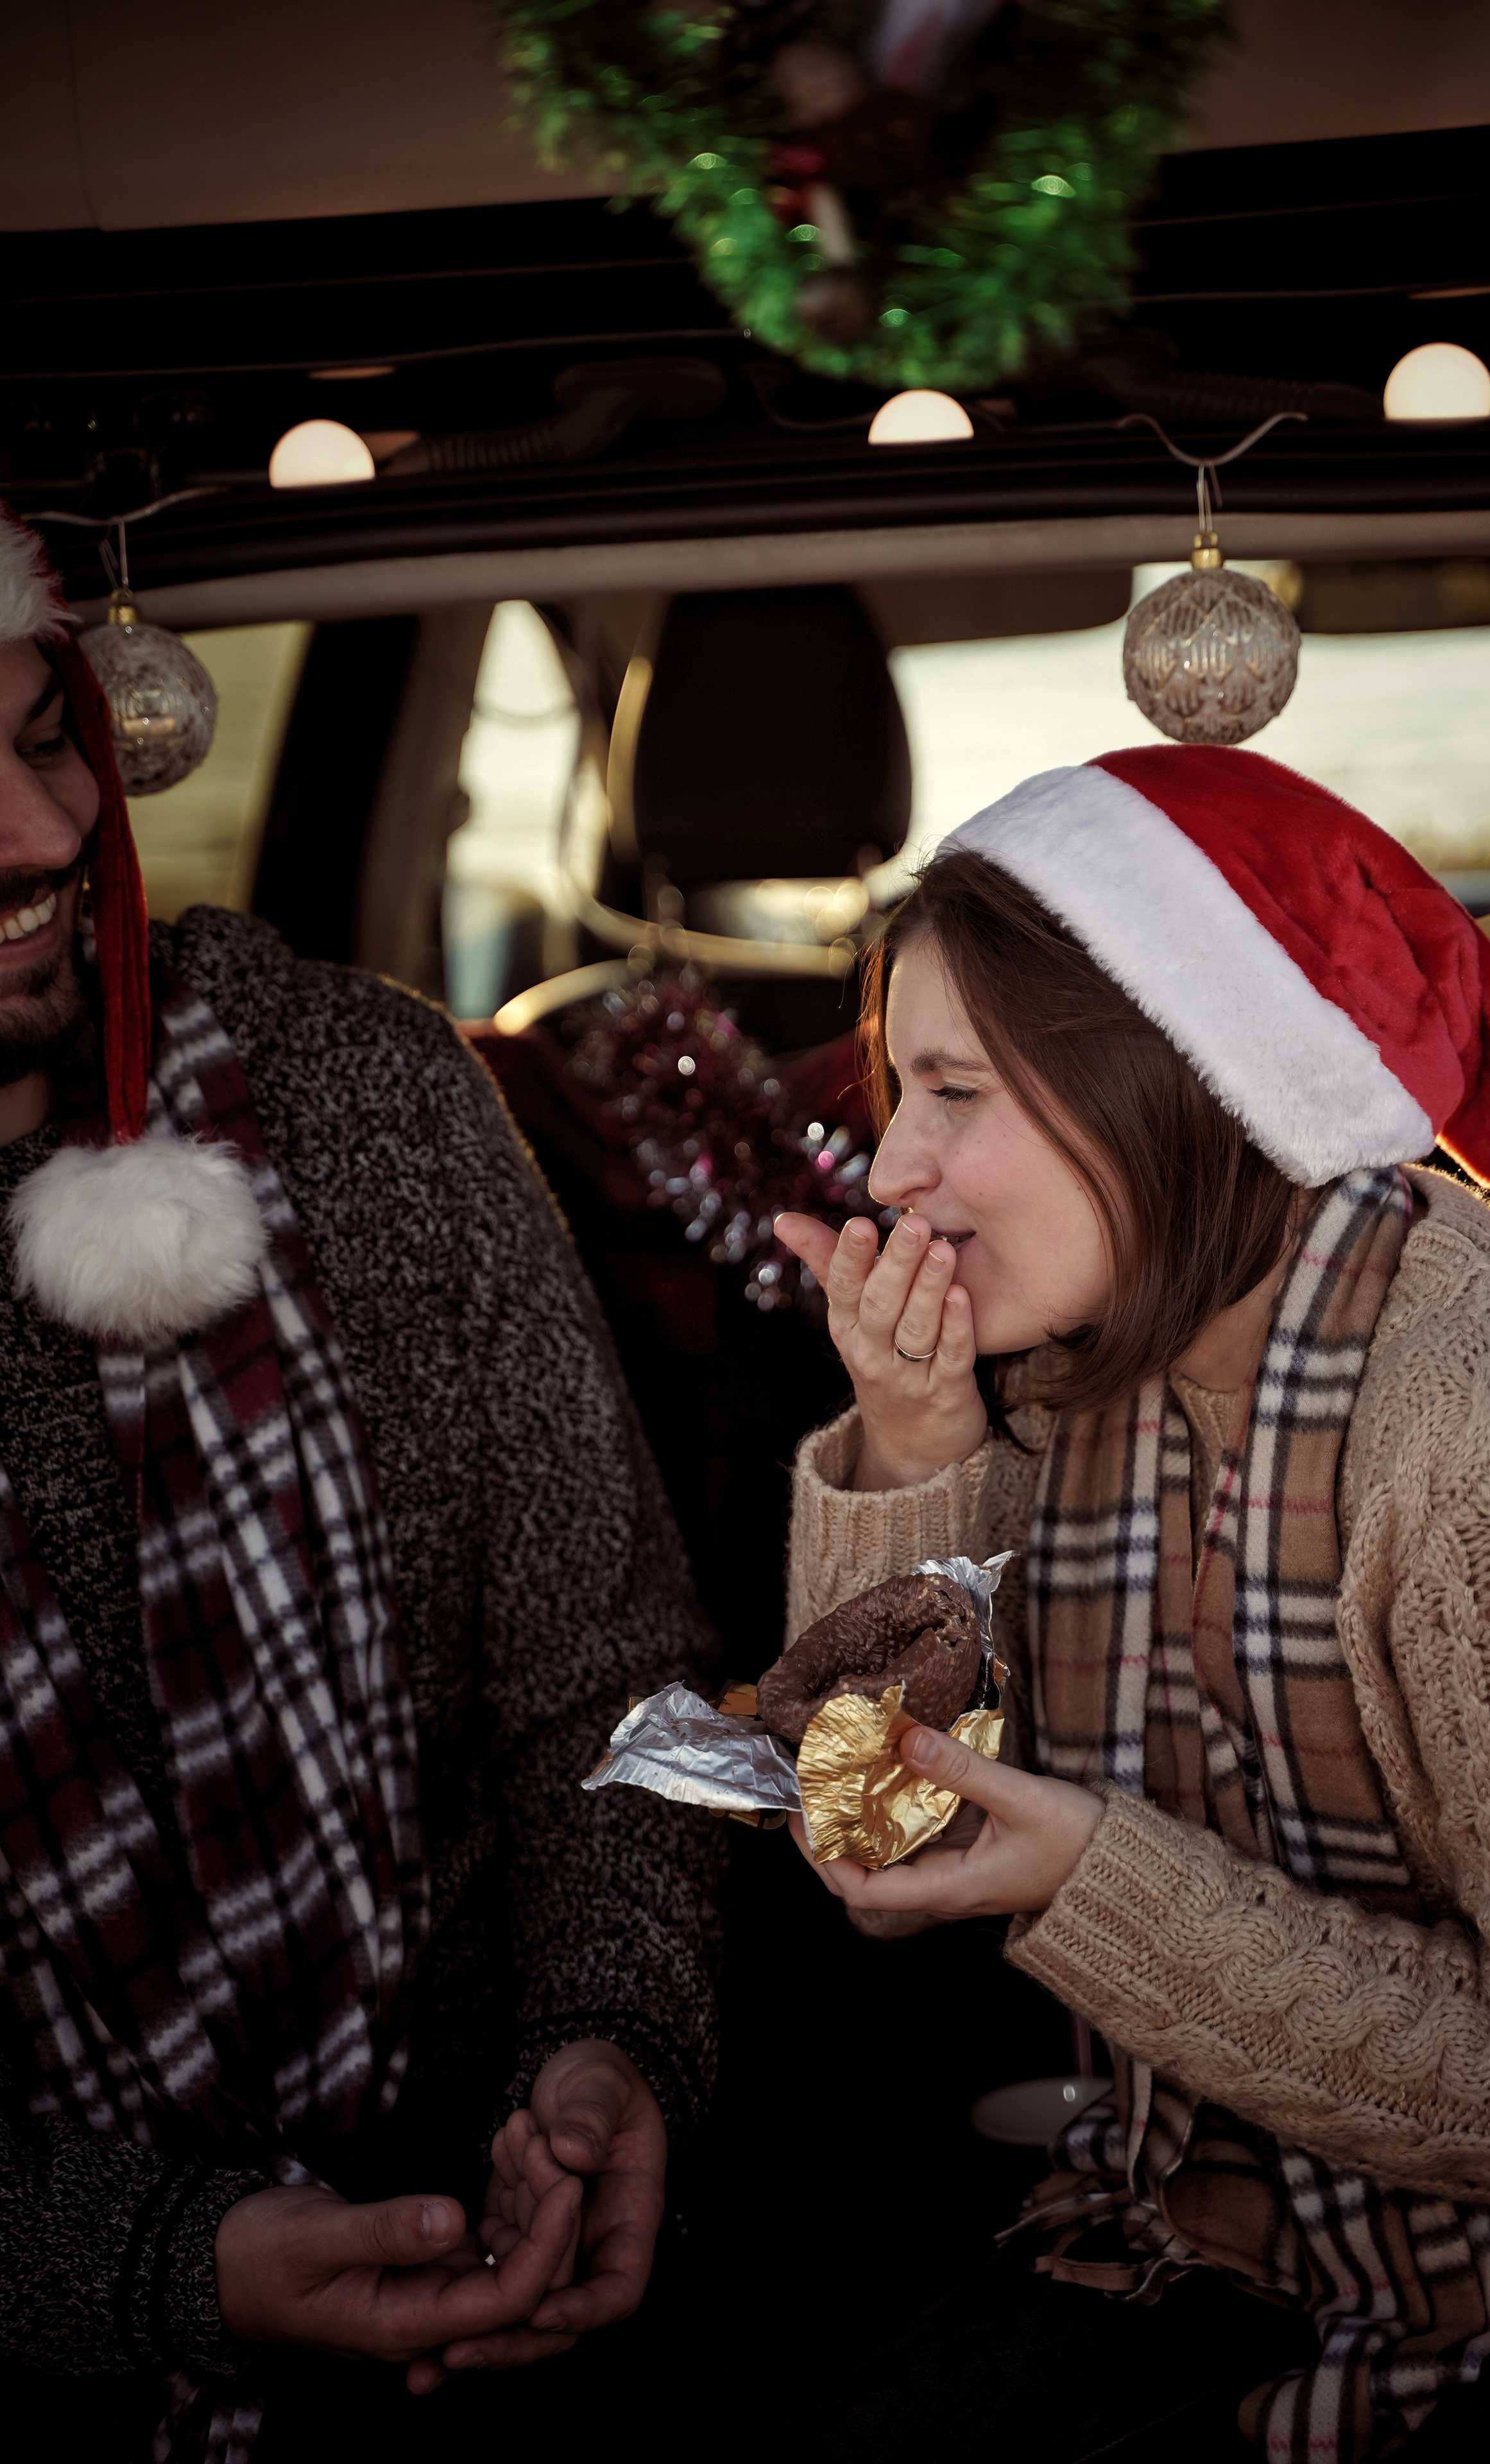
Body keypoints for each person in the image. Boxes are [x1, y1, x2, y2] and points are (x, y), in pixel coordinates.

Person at [775, 747, 1490, 2462]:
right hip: (1180, 2231)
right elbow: (873, 1820)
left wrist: (1107, 1888)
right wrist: (916, 1437)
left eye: (954, 1094)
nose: (889, 1172)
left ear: (1172, 1079)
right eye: (899, 1093)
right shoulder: (1094, 1372)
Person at [0, 510, 724, 2461]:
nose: (48, 832)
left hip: (513, 2282)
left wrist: (615, 2039)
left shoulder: (370, 1093)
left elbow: (619, 1690)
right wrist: (159, 2266)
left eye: (48, 740)